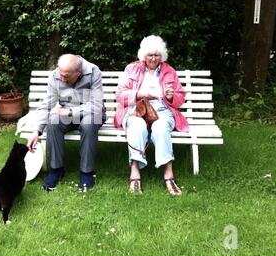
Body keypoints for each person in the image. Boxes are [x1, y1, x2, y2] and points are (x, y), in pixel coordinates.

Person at [114, 35, 189, 195]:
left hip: (162, 111)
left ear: (162, 56)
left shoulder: (169, 71)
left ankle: (168, 174)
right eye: (150, 55)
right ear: (143, 55)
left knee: (161, 128)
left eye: (157, 55)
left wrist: (170, 97)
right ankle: (135, 170)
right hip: (137, 109)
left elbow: (180, 98)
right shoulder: (131, 69)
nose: (153, 58)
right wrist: (141, 93)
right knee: (136, 125)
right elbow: (120, 95)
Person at [27, 54, 106, 191]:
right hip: (67, 113)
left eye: (66, 76)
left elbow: (96, 105)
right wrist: (36, 131)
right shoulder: (55, 75)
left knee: (88, 123)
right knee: (53, 120)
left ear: (78, 73)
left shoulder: (93, 72)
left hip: (92, 113)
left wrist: (70, 111)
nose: (62, 79)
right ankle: (56, 170)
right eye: (60, 74)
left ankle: (86, 172)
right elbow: (47, 104)